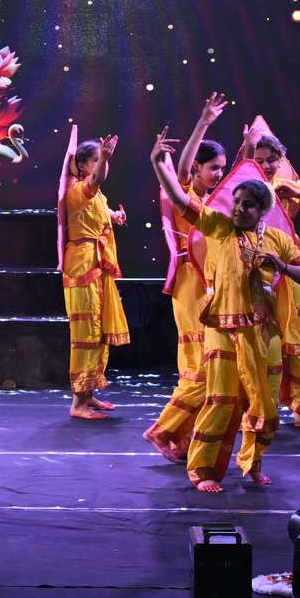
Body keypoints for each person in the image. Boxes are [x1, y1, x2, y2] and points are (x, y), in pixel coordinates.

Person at [151, 129, 300, 492]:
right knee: (221, 400)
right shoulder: (219, 227)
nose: (239, 208)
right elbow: (179, 196)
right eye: (237, 202)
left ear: (263, 211)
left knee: (264, 405)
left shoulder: (278, 240)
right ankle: (202, 470)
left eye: (247, 205)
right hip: (222, 329)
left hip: (263, 332)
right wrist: (158, 162)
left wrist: (283, 266)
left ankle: (253, 462)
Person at [143, 94, 229, 460]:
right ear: (196, 169)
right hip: (191, 285)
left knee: (205, 367)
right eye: (213, 168)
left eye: (222, 168)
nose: (219, 174)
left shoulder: (211, 202)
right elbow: (180, 173)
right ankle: (162, 430)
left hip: (208, 285)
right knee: (202, 369)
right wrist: (203, 123)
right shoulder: (183, 196)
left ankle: (181, 436)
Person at [239, 125, 300, 429]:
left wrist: (297, 193)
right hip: (251, 268)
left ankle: (299, 403)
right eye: (259, 160)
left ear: (281, 160)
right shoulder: (244, 189)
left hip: (287, 266)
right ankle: (257, 405)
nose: (266, 166)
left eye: (272, 160)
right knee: (256, 338)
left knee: (294, 334)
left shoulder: (287, 186)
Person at [61, 133, 129, 420]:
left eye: (102, 160)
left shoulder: (96, 195)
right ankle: (77, 403)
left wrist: (114, 216)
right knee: (86, 334)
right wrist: (107, 159)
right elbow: (96, 182)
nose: (102, 165)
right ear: (82, 165)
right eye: (97, 160)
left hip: (96, 265)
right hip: (83, 266)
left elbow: (99, 209)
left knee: (98, 332)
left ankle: (88, 394)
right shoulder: (79, 189)